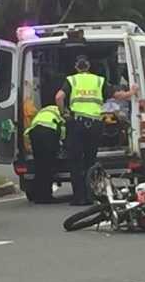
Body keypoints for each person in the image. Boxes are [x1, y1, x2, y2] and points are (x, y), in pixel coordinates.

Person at [56, 55, 137, 206]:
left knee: (75, 162)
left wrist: (64, 113)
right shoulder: (98, 80)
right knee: (90, 161)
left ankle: (78, 198)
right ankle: (90, 196)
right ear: (89, 67)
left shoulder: (71, 80)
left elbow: (59, 97)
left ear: (76, 67)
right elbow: (118, 95)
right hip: (94, 125)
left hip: (77, 124)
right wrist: (132, 92)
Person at [25, 105, 66, 204]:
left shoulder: (42, 112)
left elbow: (28, 131)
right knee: (48, 166)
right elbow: (62, 134)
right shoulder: (59, 115)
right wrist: (62, 146)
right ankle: (46, 197)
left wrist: (29, 147)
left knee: (39, 166)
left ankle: (38, 195)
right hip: (48, 134)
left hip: (34, 133)